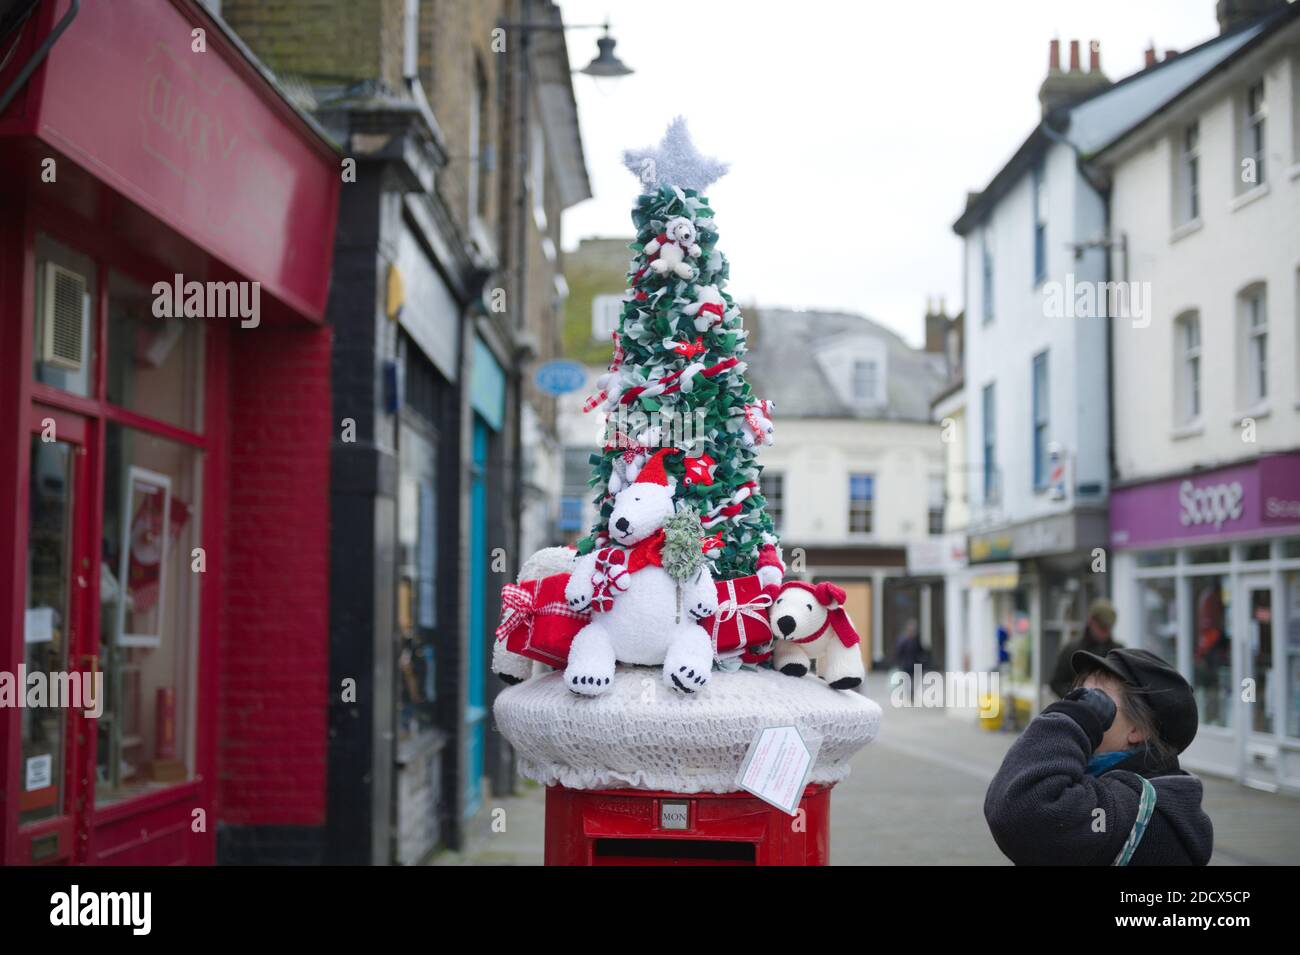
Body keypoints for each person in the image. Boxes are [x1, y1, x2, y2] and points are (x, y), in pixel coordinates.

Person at [984, 647, 1212, 865]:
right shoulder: (1104, 783)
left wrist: (1068, 721)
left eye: (1096, 700)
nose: (1079, 707)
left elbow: (1018, 811)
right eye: (1077, 696)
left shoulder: (1139, 809)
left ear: (1137, 730)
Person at [1049, 597, 1120, 699]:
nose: (1105, 633)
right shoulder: (1072, 649)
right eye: (1102, 627)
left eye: (1108, 629)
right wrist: (1077, 697)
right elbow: (1056, 683)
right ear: (1091, 621)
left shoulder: (1116, 651)